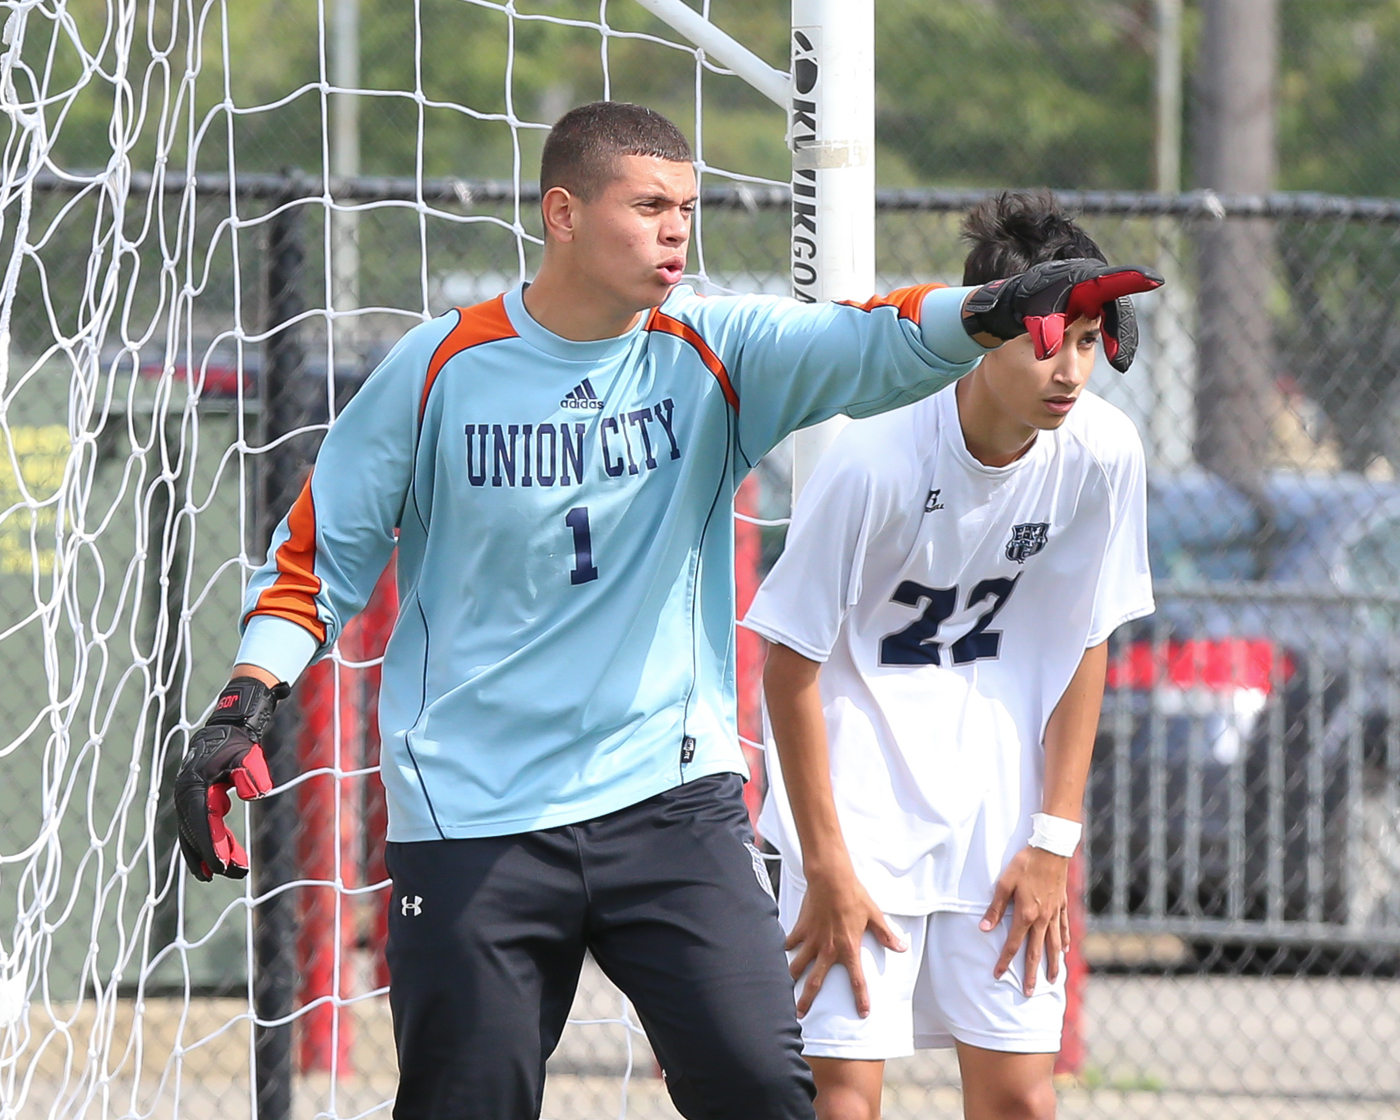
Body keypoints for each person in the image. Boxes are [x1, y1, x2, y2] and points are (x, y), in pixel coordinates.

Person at [171, 102, 1157, 1120]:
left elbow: (871, 342)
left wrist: (995, 309)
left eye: (686, 207)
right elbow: (310, 563)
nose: (675, 230)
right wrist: (247, 700)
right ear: (561, 212)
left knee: (767, 1090)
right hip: (476, 813)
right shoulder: (434, 372)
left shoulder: (714, 352)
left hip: (668, 801)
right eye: (646, 207)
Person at [745, 191, 1159, 1120]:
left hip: (1000, 824)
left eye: (1090, 342)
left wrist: (1054, 837)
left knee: (1023, 1100)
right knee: (841, 1103)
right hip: (857, 823)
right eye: (1050, 338)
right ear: (988, 331)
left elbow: (1087, 638)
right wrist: (826, 865)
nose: (1071, 370)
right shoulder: (875, 459)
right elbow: (790, 663)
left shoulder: (1104, 454)